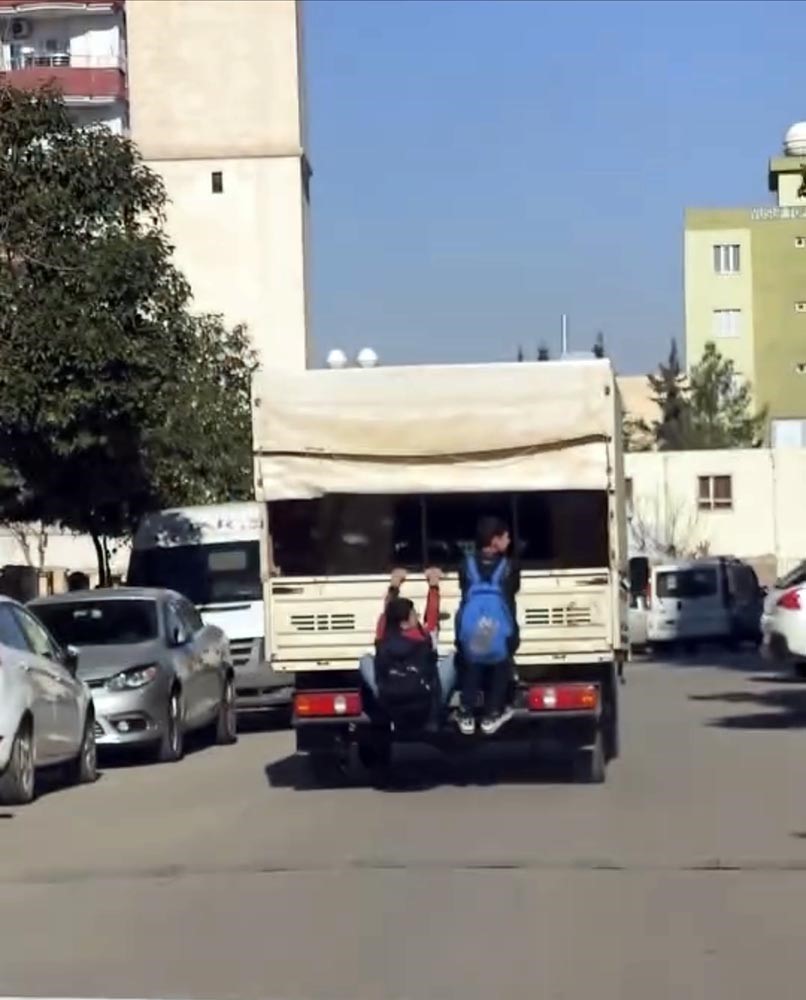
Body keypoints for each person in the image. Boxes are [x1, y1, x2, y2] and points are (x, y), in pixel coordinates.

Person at [359, 567, 456, 726]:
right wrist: (433, 585)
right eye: (413, 615)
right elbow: (432, 614)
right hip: (422, 700)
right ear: (404, 624)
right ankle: (436, 714)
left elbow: (387, 611)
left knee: (365, 659)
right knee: (453, 657)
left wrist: (395, 584)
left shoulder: (383, 636)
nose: (416, 616)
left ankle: (383, 711)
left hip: (390, 699)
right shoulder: (424, 637)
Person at [454, 515, 520, 736]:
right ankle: (492, 713)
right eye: (505, 536)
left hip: (473, 625)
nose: (509, 540)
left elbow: (465, 595)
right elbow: (509, 599)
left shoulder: (466, 565)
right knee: (501, 663)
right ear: (494, 541)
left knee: (473, 662)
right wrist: (513, 635)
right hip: (497, 625)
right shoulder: (509, 566)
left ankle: (467, 713)